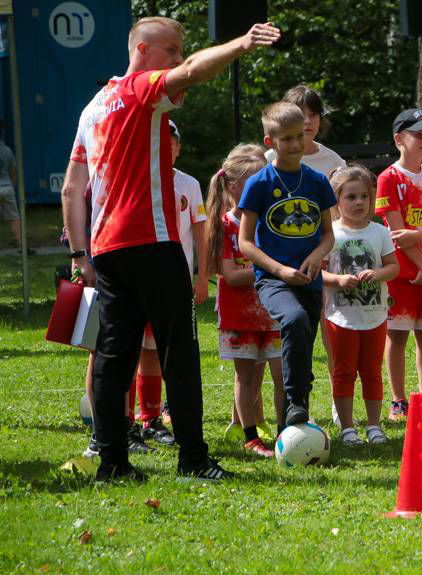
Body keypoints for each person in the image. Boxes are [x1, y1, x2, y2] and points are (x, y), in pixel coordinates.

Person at [61, 16, 281, 482]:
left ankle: (113, 462)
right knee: (178, 351)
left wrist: (81, 256)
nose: (179, 59)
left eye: (181, 51)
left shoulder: (92, 107)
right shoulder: (140, 90)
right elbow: (195, 73)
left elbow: (70, 188)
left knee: (113, 354)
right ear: (142, 49)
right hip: (153, 242)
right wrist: (241, 43)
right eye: (172, 50)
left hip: (107, 248)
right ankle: (193, 460)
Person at [238, 101, 336, 430]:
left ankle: (290, 428)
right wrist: (278, 270)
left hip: (310, 279)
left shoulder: (318, 182)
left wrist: (316, 256)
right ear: (270, 142)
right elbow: (245, 242)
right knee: (293, 320)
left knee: (303, 346)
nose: (295, 145)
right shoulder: (259, 183)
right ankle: (296, 402)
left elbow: (328, 234)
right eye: (286, 139)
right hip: (274, 281)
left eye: (299, 137)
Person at [130, 120, 208, 448]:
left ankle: (151, 419)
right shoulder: (137, 182)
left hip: (175, 283)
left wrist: (202, 275)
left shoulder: (188, 185)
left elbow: (200, 231)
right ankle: (129, 420)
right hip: (140, 281)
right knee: (134, 349)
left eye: (171, 144)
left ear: (178, 148)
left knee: (158, 351)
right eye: (159, 144)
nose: (166, 150)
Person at [206, 143, 281, 457]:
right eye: (255, 183)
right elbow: (232, 276)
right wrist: (270, 266)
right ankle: (250, 437)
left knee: (284, 375)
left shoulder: (271, 221)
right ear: (234, 187)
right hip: (239, 317)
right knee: (246, 377)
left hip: (274, 311)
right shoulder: (224, 226)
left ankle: (289, 430)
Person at [374, 109, 422, 420]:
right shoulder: (388, 179)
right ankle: (399, 401)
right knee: (398, 335)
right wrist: (420, 263)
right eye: (418, 134)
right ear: (398, 139)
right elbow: (395, 233)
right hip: (400, 272)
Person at [323, 166, 399, 445]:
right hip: (340, 317)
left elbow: (393, 267)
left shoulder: (379, 232)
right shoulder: (329, 233)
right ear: (337, 201)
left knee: (371, 371)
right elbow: (317, 273)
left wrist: (377, 274)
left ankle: (373, 425)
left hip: (375, 316)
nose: (358, 203)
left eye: (364, 197)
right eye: (351, 197)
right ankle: (347, 428)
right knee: (343, 372)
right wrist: (338, 280)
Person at [265, 85, 347, 179]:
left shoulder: (335, 163)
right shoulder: (269, 159)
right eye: (300, 114)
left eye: (313, 114)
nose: (307, 121)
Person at [0, 120, 29, 254]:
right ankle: (23, 246)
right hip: (6, 186)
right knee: (14, 218)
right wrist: (11, 186)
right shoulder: (7, 150)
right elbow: (13, 172)